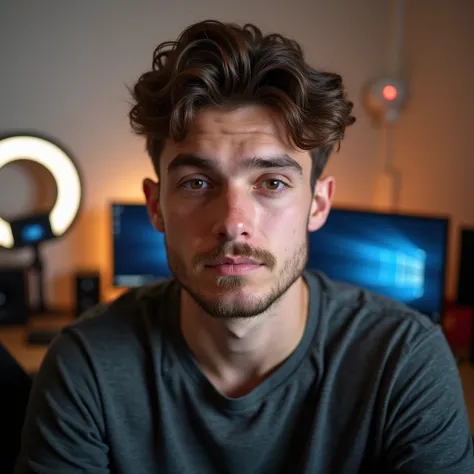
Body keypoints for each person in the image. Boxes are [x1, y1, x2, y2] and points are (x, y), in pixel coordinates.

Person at [14, 19, 474, 474]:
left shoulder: (405, 362)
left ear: (317, 204)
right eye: (196, 182)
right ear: (155, 206)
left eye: (271, 183)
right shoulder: (87, 364)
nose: (233, 224)